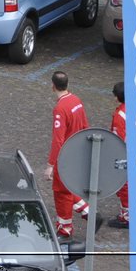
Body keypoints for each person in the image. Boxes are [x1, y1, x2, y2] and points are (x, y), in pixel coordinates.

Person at [46, 70, 90, 239]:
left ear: (53, 86)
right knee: (68, 187)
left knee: (61, 191)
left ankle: (65, 228)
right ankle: (88, 212)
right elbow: (85, 125)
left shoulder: (60, 108)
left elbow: (58, 140)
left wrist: (51, 165)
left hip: (65, 156)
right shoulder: (76, 100)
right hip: (77, 151)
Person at [109, 81, 129, 228]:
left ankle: (126, 216)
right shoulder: (133, 108)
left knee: (123, 185)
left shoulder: (119, 115)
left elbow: (117, 140)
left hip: (124, 155)